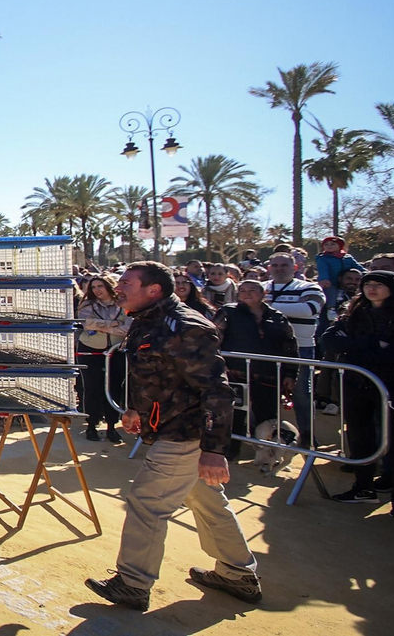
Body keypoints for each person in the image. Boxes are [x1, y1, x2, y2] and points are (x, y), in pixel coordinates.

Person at [85, 261, 260, 612]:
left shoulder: (186, 327)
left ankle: (133, 583)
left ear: (153, 290)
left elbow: (216, 392)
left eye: (127, 284)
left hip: (186, 433)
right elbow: (151, 375)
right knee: (208, 503)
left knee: (147, 503)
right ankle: (238, 573)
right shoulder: (145, 321)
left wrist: (212, 450)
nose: (119, 289)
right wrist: (135, 408)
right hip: (169, 428)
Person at [322, 270, 394, 519]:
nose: (371, 289)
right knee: (359, 437)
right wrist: (371, 343)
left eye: (378, 284)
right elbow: (331, 341)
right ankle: (362, 488)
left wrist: (354, 349)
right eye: (367, 284)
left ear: (392, 289)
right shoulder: (352, 312)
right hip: (357, 383)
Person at [213, 280, 297, 461]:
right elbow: (214, 339)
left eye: (252, 290)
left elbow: (290, 345)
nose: (246, 293)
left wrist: (291, 373)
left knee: (267, 418)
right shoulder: (228, 312)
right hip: (234, 374)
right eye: (242, 290)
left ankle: (268, 457)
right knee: (233, 417)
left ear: (263, 293)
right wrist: (218, 364)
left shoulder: (277, 316)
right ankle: (228, 455)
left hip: (268, 376)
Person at [261, 253, 324, 446]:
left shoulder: (309, 287)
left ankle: (307, 435)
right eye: (275, 265)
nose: (279, 268)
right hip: (265, 349)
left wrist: (264, 307)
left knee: (301, 394)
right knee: (264, 393)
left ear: (295, 267)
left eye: (284, 265)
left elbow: (309, 309)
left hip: (301, 349)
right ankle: (266, 436)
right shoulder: (262, 288)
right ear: (269, 267)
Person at [77, 274, 129, 444]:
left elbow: (128, 328)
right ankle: (91, 424)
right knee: (92, 387)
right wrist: (113, 324)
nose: (97, 290)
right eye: (93, 287)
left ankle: (112, 426)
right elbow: (87, 323)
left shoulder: (123, 303)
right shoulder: (87, 304)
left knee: (114, 386)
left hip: (116, 351)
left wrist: (104, 327)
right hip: (91, 350)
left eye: (100, 286)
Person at [316, 236, 364, 309]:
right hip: (331, 281)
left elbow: (357, 266)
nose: (329, 246)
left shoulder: (347, 257)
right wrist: (324, 279)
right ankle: (330, 308)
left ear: (340, 246)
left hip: (346, 280)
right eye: (326, 244)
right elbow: (323, 270)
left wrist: (366, 273)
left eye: (332, 244)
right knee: (331, 293)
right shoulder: (323, 258)